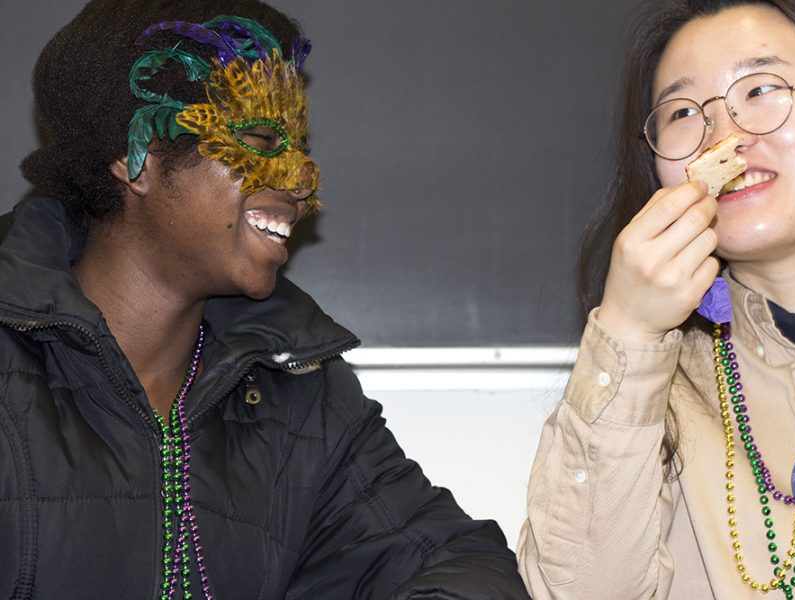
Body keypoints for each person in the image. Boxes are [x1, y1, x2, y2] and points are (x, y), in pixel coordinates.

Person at [0, 1, 531, 598]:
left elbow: (453, 558)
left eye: (300, 144)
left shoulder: (298, 393)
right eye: (260, 137)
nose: (302, 177)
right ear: (139, 153)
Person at [518, 0, 795, 598]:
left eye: (760, 89)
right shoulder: (652, 385)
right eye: (683, 111)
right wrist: (630, 334)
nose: (723, 136)